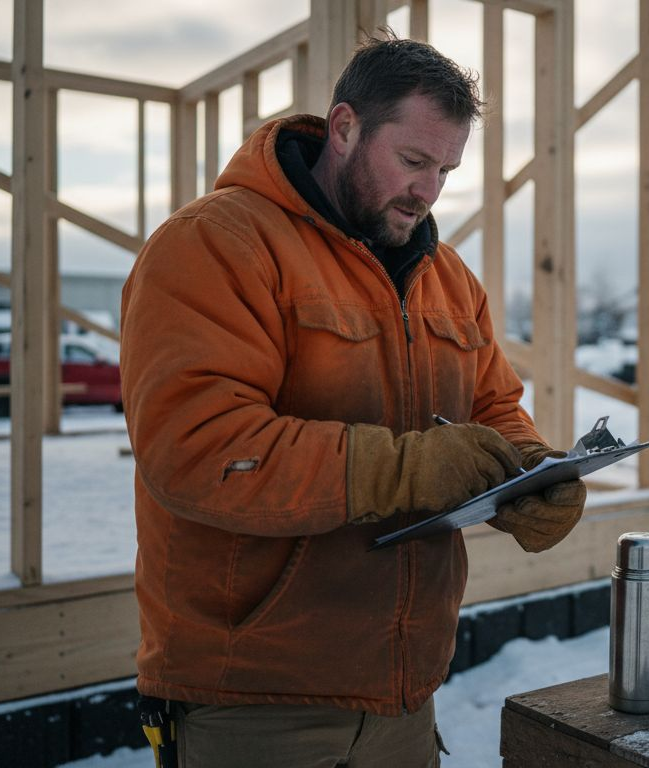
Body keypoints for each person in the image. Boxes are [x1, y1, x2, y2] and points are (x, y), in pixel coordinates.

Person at [120, 34, 586, 767]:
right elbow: (198, 449)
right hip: (256, 703)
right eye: (412, 161)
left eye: (444, 170)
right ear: (344, 128)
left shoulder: (449, 279)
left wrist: (528, 474)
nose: (427, 191)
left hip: (403, 693)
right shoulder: (215, 244)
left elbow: (493, 407)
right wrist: (404, 470)